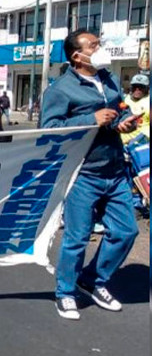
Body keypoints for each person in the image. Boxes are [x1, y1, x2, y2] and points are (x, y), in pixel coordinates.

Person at [41, 29, 139, 321]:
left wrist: (123, 122)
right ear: (76, 56)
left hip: (115, 169)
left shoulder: (107, 79)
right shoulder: (59, 90)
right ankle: (66, 293)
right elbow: (50, 129)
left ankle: (93, 279)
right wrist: (90, 119)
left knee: (126, 231)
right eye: (94, 46)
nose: (100, 49)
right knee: (77, 237)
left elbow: (117, 110)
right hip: (82, 173)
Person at [121, 73, 149, 144]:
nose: (137, 90)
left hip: (142, 144)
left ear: (147, 88)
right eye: (135, 87)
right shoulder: (124, 99)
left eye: (141, 87)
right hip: (123, 144)